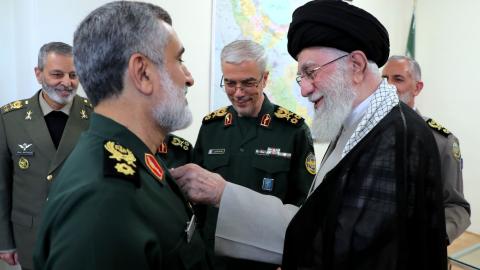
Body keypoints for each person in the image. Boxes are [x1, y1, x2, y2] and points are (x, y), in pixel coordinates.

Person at [171, 1, 447, 269]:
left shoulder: (397, 138)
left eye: (310, 72)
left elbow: (350, 249)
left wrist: (225, 196)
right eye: (301, 77)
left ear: (357, 65)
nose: (304, 90)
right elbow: (317, 220)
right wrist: (223, 194)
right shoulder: (359, 125)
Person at [32, 2, 210, 269]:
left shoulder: (135, 161)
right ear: (143, 73)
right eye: (179, 59)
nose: (189, 78)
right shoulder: (102, 200)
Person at [194, 39, 315, 270]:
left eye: (248, 83)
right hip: (212, 260)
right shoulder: (211, 127)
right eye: (230, 83)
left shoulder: (293, 131)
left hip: (266, 260)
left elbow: (304, 206)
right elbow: (196, 204)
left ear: (265, 79)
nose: (238, 93)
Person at [0, 41, 92, 270]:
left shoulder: (96, 114)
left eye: (73, 75)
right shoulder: (10, 118)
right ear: (38, 73)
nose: (67, 82)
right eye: (57, 74)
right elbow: (2, 185)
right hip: (31, 236)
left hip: (84, 234)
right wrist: (5, 242)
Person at [382, 55, 471, 243]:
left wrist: (432, 240)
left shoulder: (440, 141)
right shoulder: (364, 133)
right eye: (384, 79)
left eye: (398, 79)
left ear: (417, 88)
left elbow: (456, 206)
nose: (388, 86)